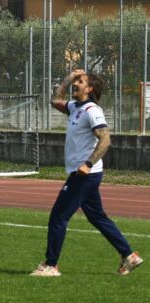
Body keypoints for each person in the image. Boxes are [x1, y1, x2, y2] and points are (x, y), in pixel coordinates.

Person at [31, 69, 143, 277]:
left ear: (89, 89)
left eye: (80, 82)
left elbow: (105, 139)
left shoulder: (93, 110)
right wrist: (69, 77)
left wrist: (88, 164)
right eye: (76, 81)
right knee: (97, 217)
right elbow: (55, 100)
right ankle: (129, 256)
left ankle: (50, 265)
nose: (76, 84)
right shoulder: (75, 107)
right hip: (82, 174)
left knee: (58, 217)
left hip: (85, 175)